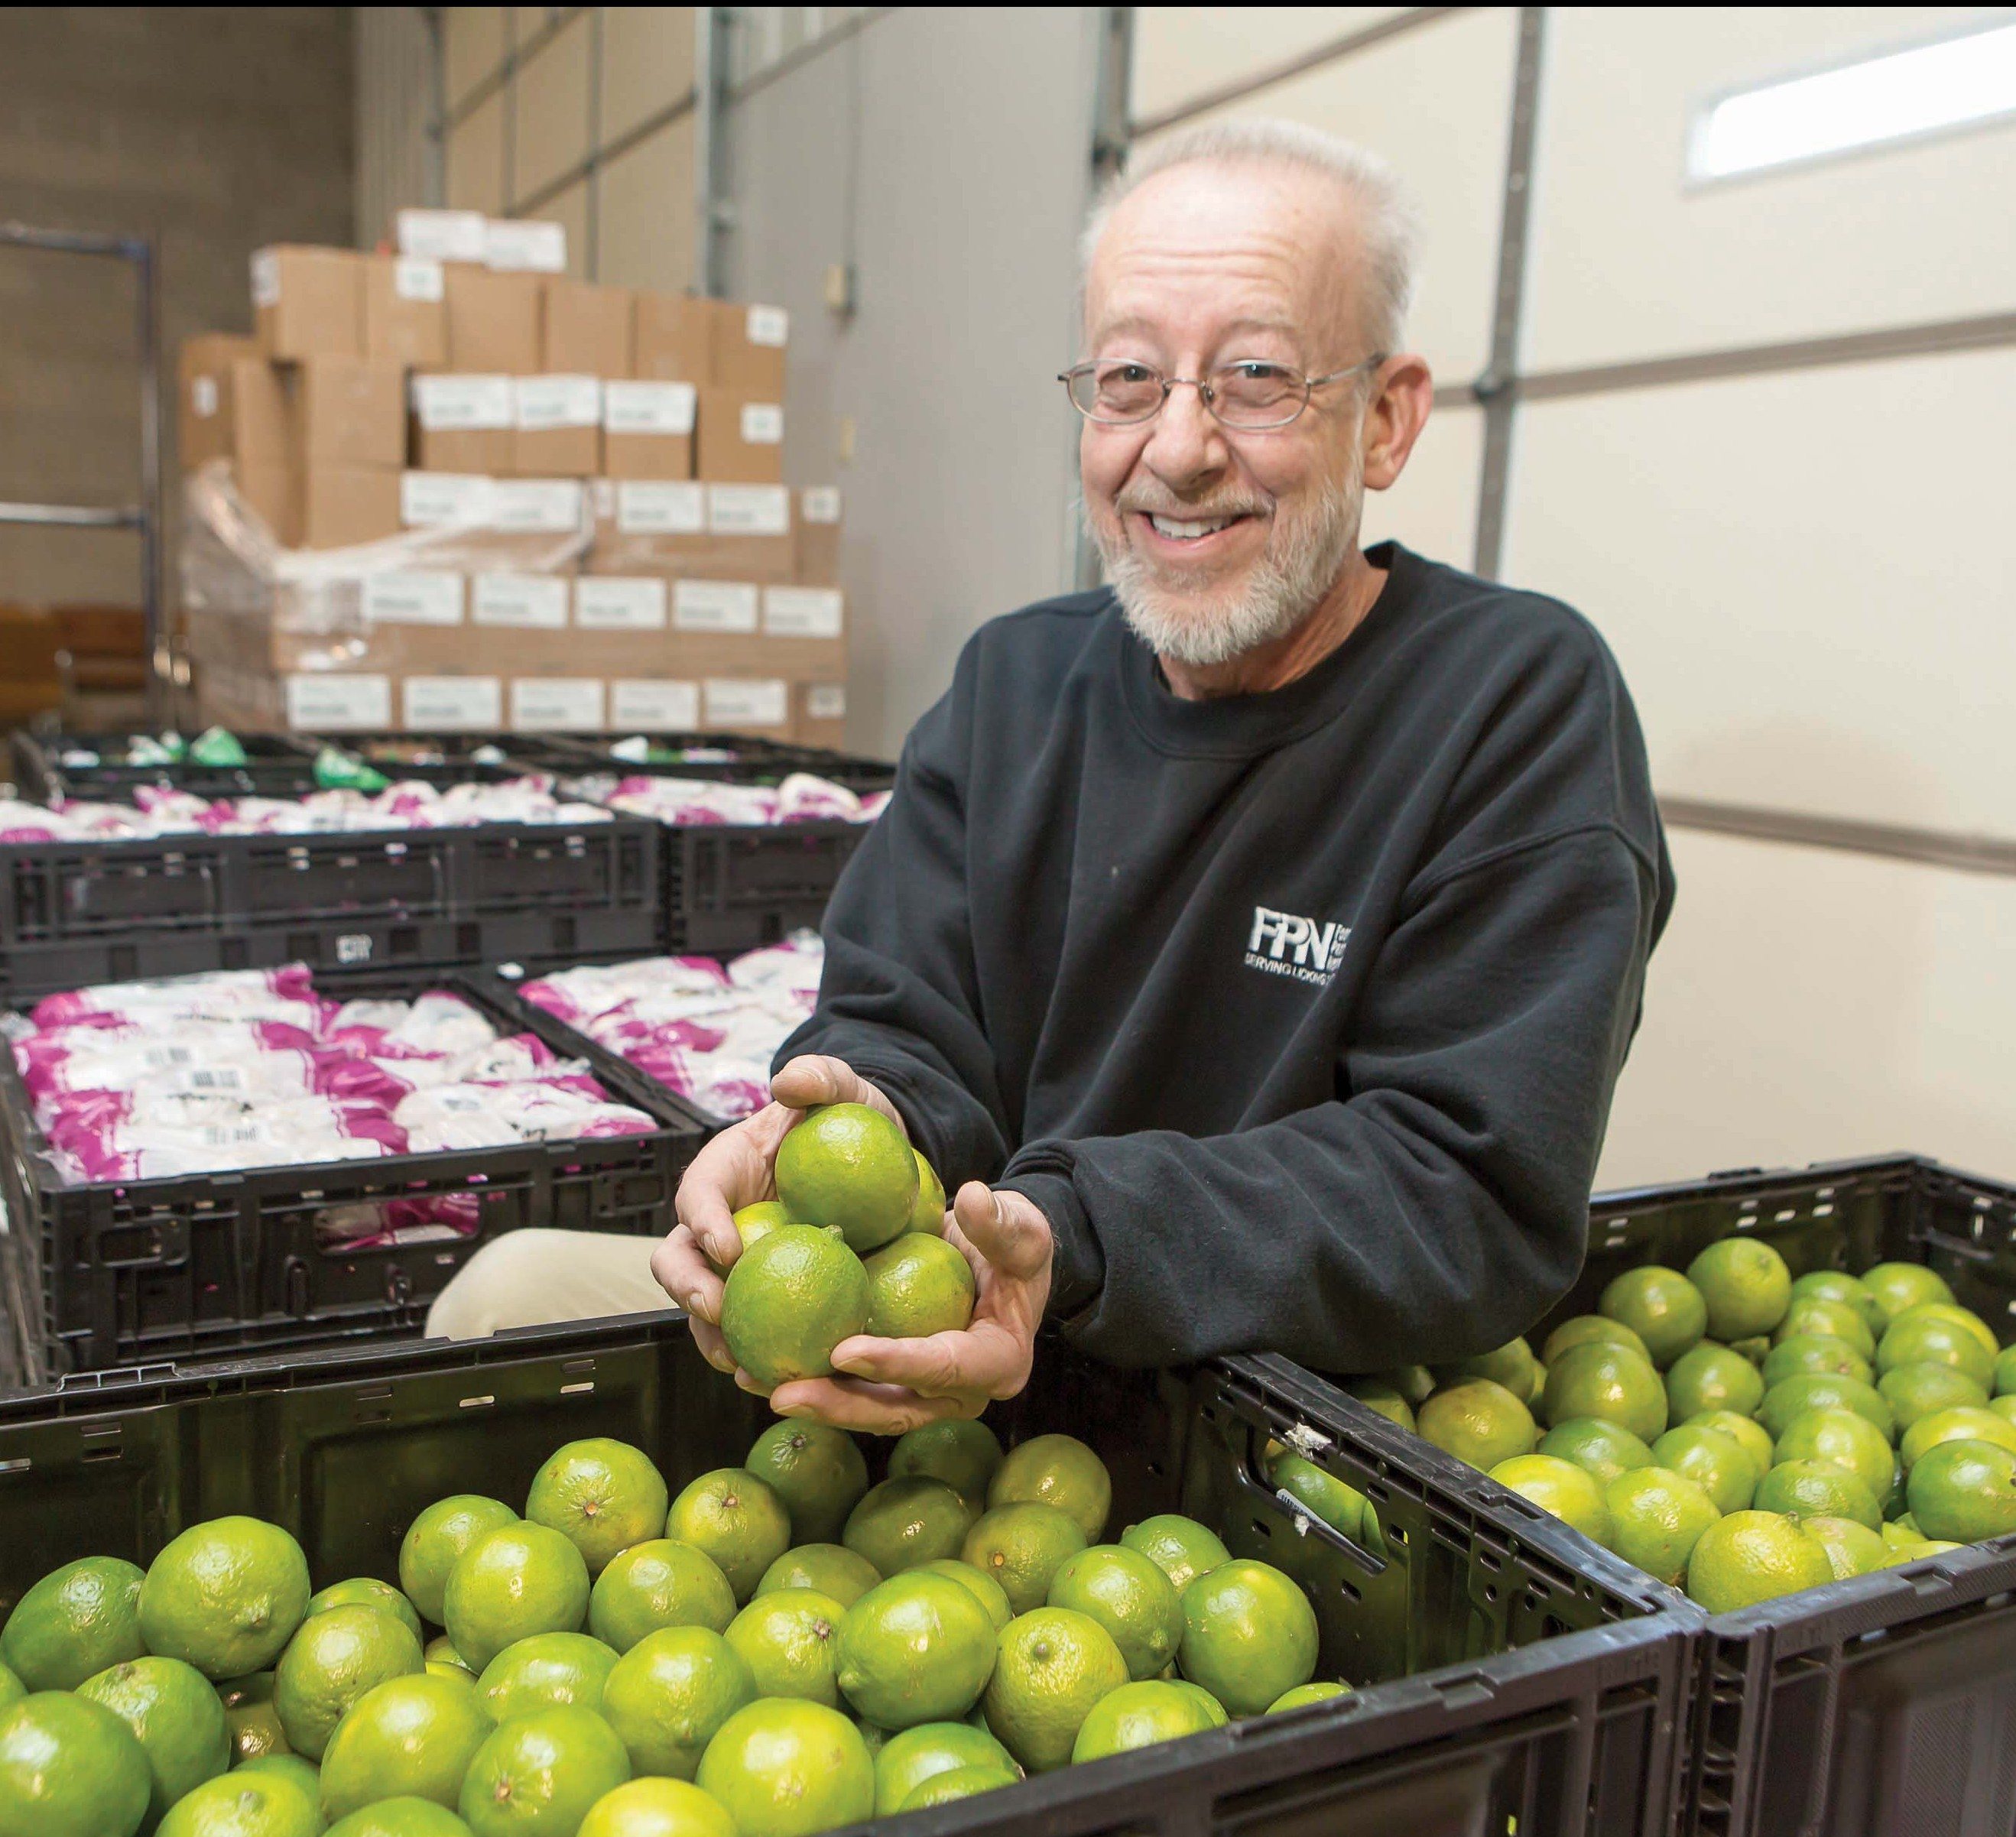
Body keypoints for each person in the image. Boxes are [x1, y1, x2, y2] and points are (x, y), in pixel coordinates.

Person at [427, 119, 1674, 1436]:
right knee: (508, 1292)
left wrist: (1068, 1239)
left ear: (1385, 418)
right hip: (946, 1328)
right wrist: (853, 1116)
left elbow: (1463, 1186)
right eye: (1130, 379)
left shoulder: (1512, 702)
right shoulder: (1013, 685)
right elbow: (905, 1020)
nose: (1179, 450)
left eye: (1254, 377)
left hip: (1276, 1412)